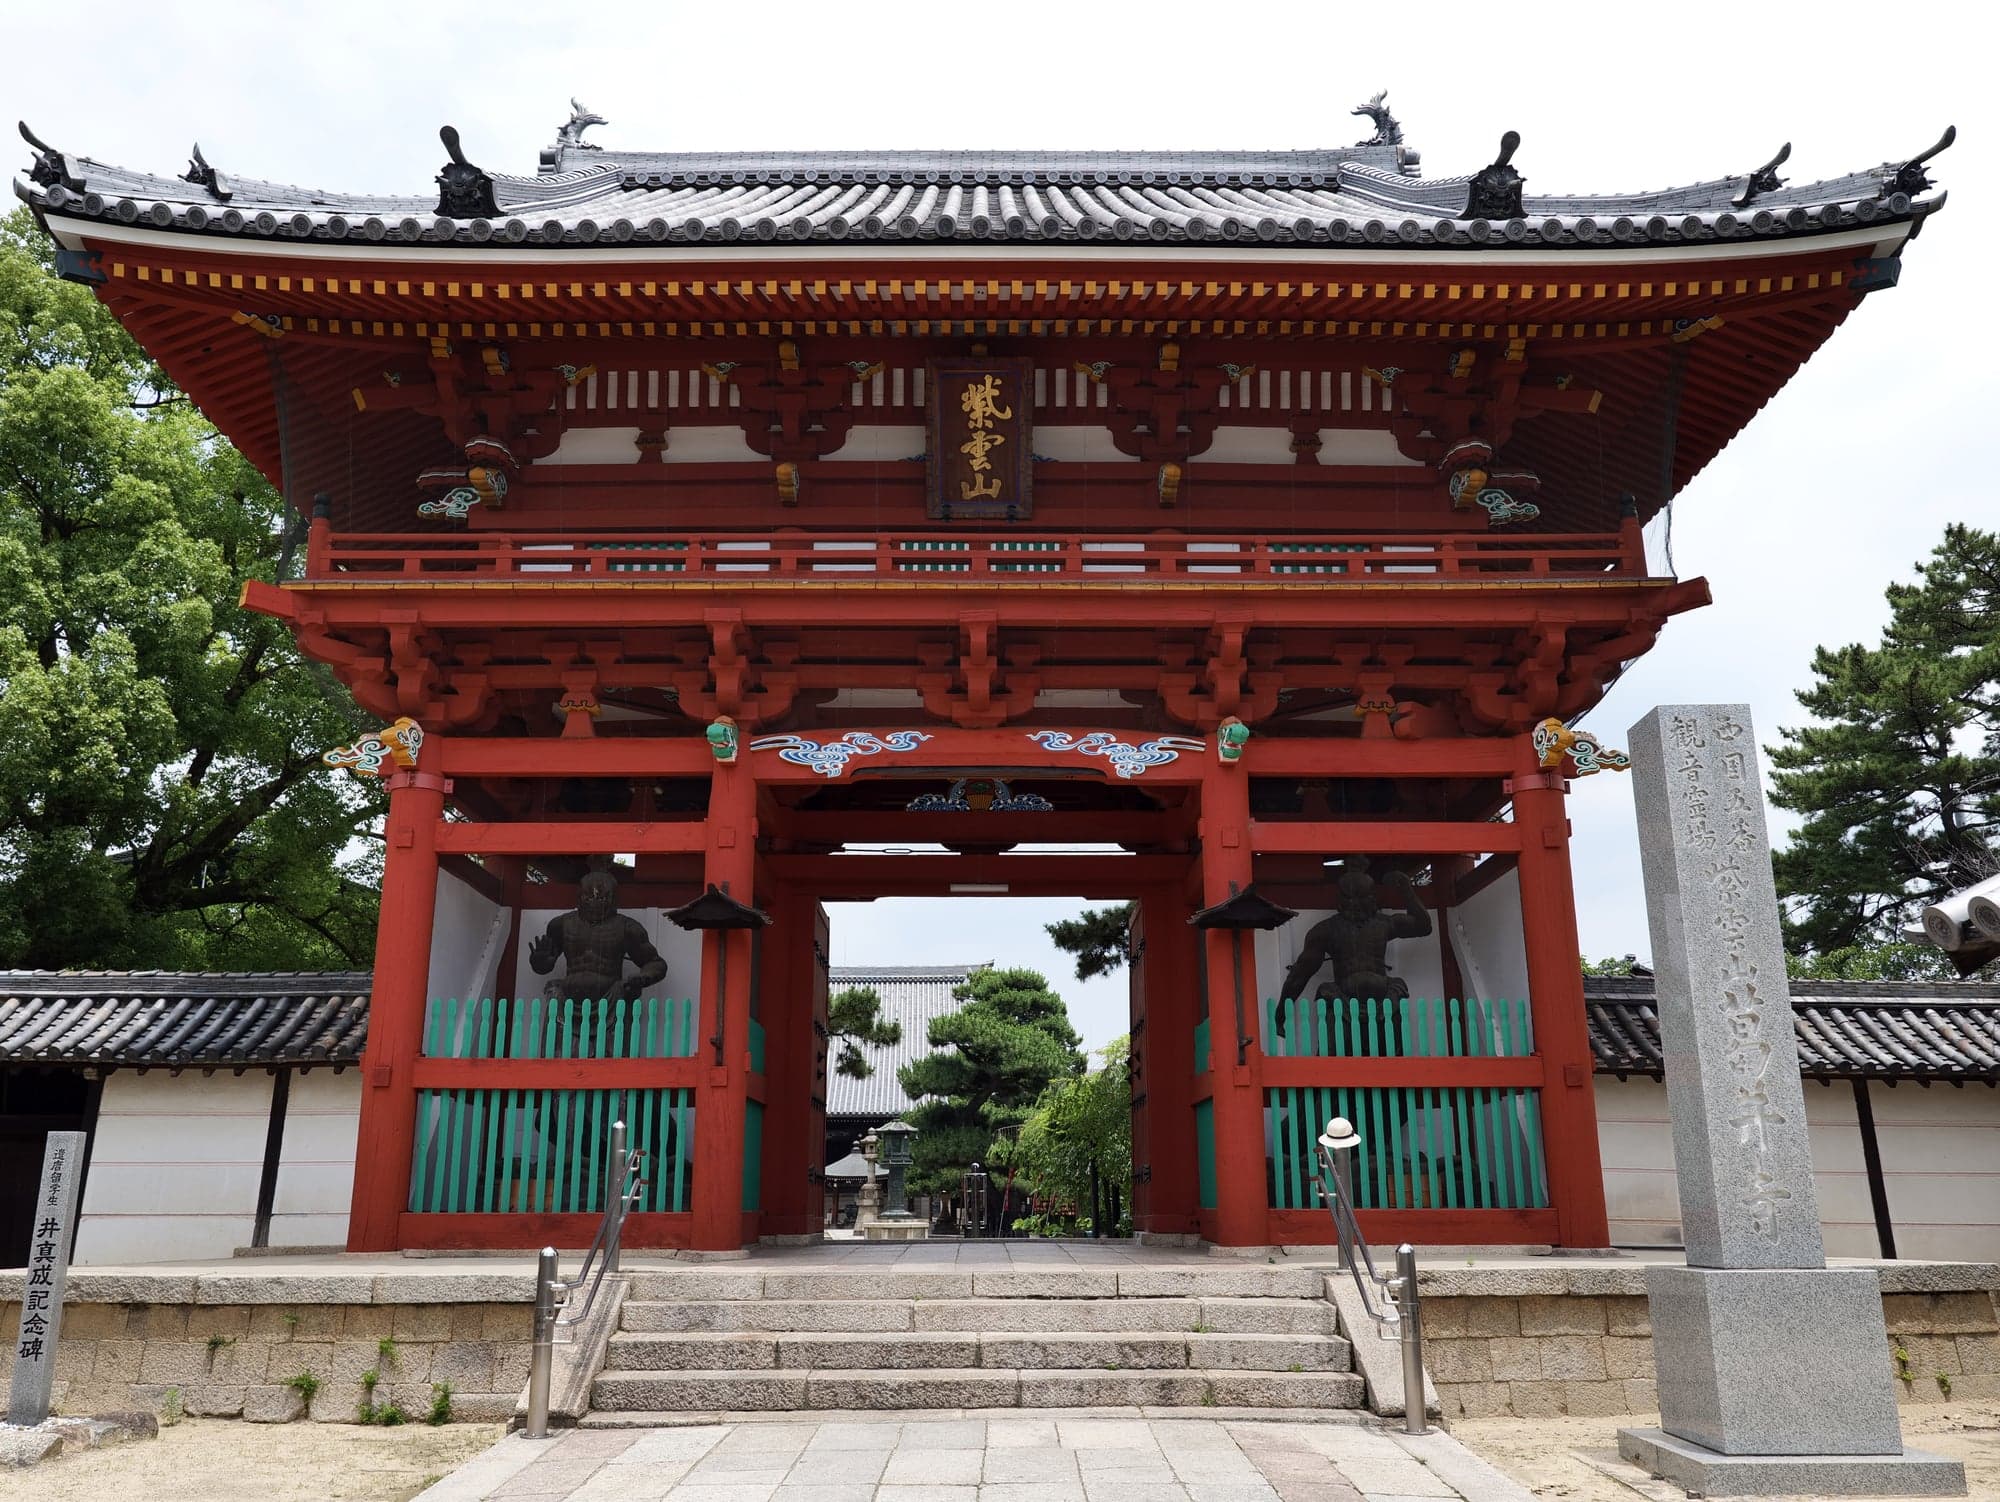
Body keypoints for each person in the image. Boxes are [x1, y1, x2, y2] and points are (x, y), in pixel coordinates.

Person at [1279, 859, 1432, 1004]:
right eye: (1350, 898)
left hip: (1384, 995)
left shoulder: (1384, 923)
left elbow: (1423, 926)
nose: (1356, 904)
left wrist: (1406, 888)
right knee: (1325, 992)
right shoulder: (1326, 930)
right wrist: (1281, 1012)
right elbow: (1300, 974)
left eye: (1362, 898)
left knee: (1398, 988)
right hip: (1342, 997)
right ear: (1340, 900)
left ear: (1372, 898)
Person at [527, 869, 667, 1002]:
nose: (594, 902)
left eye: (601, 898)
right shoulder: (561, 925)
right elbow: (543, 967)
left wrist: (643, 977)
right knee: (553, 990)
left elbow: (654, 962)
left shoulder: (627, 927)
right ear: (579, 897)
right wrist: (540, 961)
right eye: (588, 897)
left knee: (625, 993)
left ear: (613, 899)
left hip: (611, 994)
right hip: (568, 995)